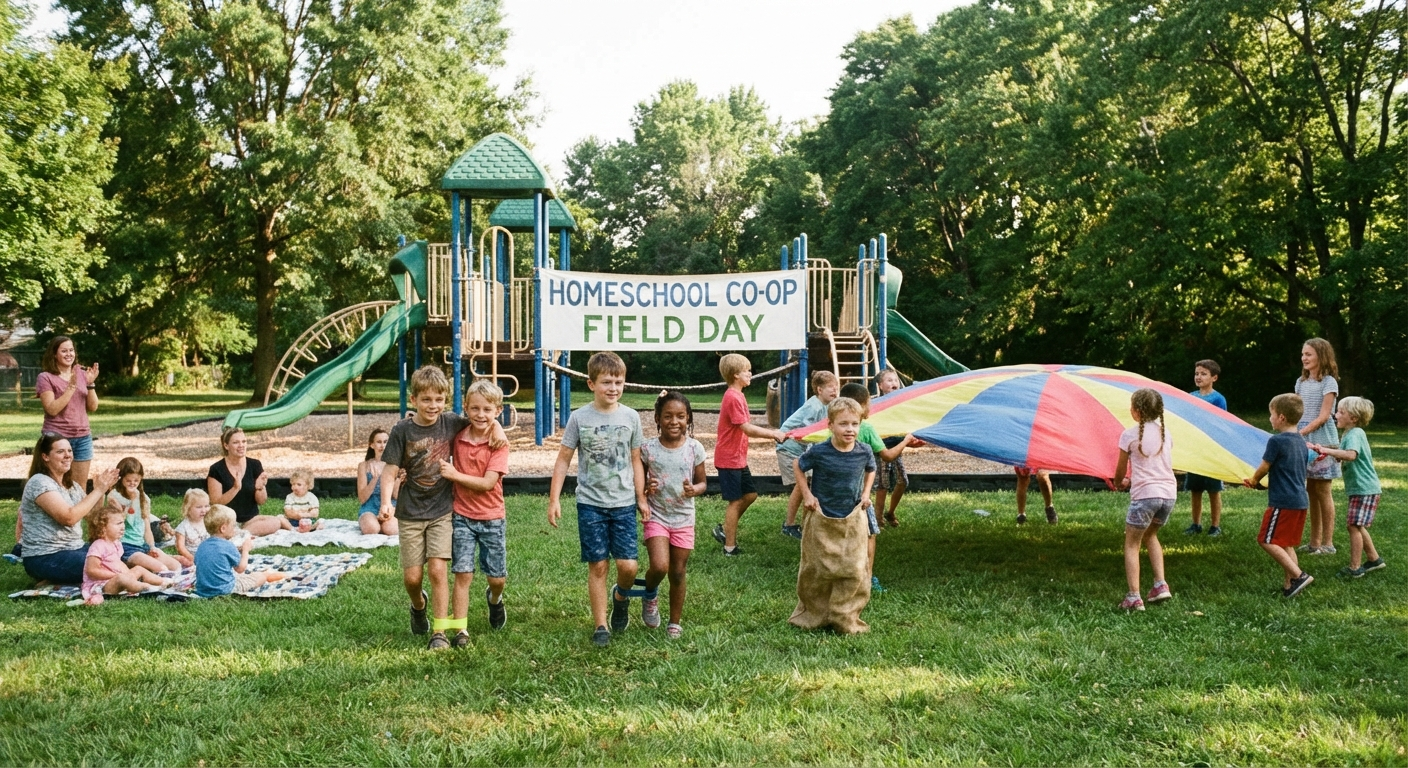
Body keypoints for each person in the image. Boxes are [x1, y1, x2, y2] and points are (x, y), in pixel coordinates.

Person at [379, 366, 507, 649]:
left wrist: (498, 426)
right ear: (413, 400)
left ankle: (440, 632)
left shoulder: (450, 422)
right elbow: (389, 471)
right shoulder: (402, 430)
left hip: (443, 509)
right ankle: (418, 604)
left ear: (446, 401)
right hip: (410, 512)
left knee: (438, 570)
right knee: (413, 578)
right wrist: (387, 501)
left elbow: (482, 418)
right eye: (426, 400)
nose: (433, 406)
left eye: (439, 400)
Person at [547, 351, 648, 647]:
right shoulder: (579, 417)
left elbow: (636, 459)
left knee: (628, 566)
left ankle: (621, 597)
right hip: (590, 503)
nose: (613, 388)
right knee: (598, 565)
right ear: (591, 384)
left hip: (624, 503)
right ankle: (600, 624)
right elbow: (564, 460)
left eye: (618, 381)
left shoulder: (631, 417)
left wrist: (641, 497)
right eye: (606, 382)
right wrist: (554, 498)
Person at [790, 397, 876, 634]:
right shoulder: (819, 451)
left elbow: (871, 469)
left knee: (854, 568)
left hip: (851, 516)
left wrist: (866, 493)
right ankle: (814, 614)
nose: (850, 429)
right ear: (830, 425)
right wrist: (807, 494)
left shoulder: (864, 451)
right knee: (817, 568)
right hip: (821, 516)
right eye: (843, 424)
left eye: (855, 424)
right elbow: (798, 464)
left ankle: (844, 616)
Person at [440, 380, 511, 648]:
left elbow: (487, 484)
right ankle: (461, 630)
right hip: (462, 515)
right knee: (463, 573)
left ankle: (495, 599)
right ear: (466, 409)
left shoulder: (498, 443)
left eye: (488, 410)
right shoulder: (458, 435)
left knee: (497, 577)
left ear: (498, 411)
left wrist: (455, 475)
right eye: (475, 409)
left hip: (492, 516)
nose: (481, 415)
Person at [837, 382, 920, 593]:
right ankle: (867, 577)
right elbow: (888, 455)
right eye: (870, 402)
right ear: (863, 406)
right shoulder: (865, 428)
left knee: (841, 535)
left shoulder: (835, 426)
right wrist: (906, 441)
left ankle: (839, 575)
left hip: (838, 490)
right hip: (860, 494)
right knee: (869, 534)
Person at [639, 390, 707, 639]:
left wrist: (694, 490)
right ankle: (650, 595)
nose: (674, 421)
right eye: (668, 416)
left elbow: (703, 483)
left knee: (677, 571)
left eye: (680, 416)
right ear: (657, 418)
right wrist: (646, 488)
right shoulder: (647, 449)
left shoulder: (694, 448)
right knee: (659, 566)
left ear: (688, 419)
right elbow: (640, 483)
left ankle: (674, 622)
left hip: (683, 518)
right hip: (656, 514)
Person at [711, 353, 788, 556]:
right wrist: (773, 434)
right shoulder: (733, 397)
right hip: (729, 459)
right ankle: (729, 547)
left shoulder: (738, 395)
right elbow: (747, 428)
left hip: (737, 458)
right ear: (736, 374)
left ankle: (726, 529)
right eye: (747, 370)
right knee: (735, 501)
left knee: (750, 495)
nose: (750, 374)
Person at [19, 435, 119, 584]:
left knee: (116, 557)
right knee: (105, 567)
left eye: (69, 451)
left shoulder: (71, 485)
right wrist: (98, 490)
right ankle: (55, 576)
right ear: (45, 456)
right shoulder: (39, 482)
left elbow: (93, 517)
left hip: (75, 548)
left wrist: (101, 493)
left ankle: (56, 579)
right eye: (60, 452)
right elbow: (68, 518)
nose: (67, 456)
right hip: (45, 556)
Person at [1243, 394, 1314, 598]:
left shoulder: (1277, 441)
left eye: (1271, 414)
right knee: (1286, 543)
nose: (1270, 418)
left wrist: (1254, 480)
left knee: (1266, 540)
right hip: (1300, 500)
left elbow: (1265, 466)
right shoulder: (1301, 441)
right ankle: (1290, 585)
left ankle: (1299, 576)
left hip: (1283, 502)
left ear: (1281, 417)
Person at [1113, 389, 1177, 611]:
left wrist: (1119, 482)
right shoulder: (1166, 434)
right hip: (1168, 495)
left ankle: (1133, 597)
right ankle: (1160, 585)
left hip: (1145, 496)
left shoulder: (1129, 435)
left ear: (1136, 411)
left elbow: (1120, 471)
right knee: (1151, 535)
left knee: (1132, 543)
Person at [1308, 397, 1385, 578]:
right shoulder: (1349, 434)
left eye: (1341, 412)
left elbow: (1351, 455)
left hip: (1364, 488)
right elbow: (1344, 454)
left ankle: (1354, 568)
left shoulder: (1355, 433)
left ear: (1354, 418)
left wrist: (1327, 451)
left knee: (1353, 527)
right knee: (1356, 525)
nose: (1336, 415)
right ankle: (1374, 559)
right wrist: (1323, 451)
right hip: (1360, 488)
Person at [776, 370, 840, 539]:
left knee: (809, 486)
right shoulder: (814, 407)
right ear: (819, 390)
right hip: (789, 448)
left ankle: (807, 526)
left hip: (802, 450)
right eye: (830, 388)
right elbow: (808, 432)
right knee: (801, 486)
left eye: (836, 388)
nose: (835, 391)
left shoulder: (825, 406)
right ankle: (789, 525)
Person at [35, 336, 99, 492]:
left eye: (71, 350)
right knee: (55, 485)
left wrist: (90, 384)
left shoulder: (81, 374)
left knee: (79, 487)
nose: (69, 354)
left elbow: (92, 407)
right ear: (54, 354)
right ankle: (58, 515)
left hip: (82, 437)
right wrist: (71, 387)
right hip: (57, 437)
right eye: (64, 351)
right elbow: (51, 409)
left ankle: (76, 517)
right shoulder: (45, 377)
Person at [1296, 338, 1340, 554]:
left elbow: (1324, 416)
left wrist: (1301, 432)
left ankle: (1328, 543)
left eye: (1309, 354)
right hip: (1305, 441)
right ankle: (1314, 543)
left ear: (1321, 356)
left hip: (1322, 440)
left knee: (1323, 490)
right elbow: (1297, 410)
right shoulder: (1301, 383)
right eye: (1303, 354)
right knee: (1310, 490)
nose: (1304, 358)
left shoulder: (1329, 382)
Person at [82, 501, 171, 605]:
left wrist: (128, 573)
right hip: (101, 585)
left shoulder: (117, 544)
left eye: (123, 522)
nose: (123, 526)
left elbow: (118, 563)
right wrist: (115, 575)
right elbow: (91, 570)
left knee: (138, 569)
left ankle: (163, 582)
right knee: (122, 579)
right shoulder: (98, 545)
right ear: (103, 527)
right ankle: (150, 589)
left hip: (119, 577)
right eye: (119, 523)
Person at [107, 457, 181, 574]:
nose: (132, 484)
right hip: (124, 546)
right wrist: (130, 501)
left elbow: (146, 528)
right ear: (121, 479)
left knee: (176, 567)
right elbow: (119, 521)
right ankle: (130, 565)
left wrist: (152, 547)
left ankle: (143, 567)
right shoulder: (114, 496)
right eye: (128, 481)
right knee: (161, 569)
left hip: (142, 544)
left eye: (136, 481)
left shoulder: (144, 498)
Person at [206, 428, 284, 537]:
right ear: (226, 445)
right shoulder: (216, 469)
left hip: (250, 520)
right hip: (225, 521)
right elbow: (215, 503)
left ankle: (240, 534)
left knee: (276, 522)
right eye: (236, 442)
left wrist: (259, 488)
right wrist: (235, 488)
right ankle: (237, 533)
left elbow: (261, 501)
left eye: (244, 441)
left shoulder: (255, 465)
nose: (241, 445)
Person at [194, 505, 284, 598]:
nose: (235, 529)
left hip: (203, 589)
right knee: (260, 577)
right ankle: (275, 575)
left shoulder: (202, 546)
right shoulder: (228, 545)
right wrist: (246, 550)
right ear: (223, 528)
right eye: (233, 525)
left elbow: (206, 559)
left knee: (239, 576)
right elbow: (240, 569)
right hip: (225, 589)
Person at [1183, 359, 1228, 536]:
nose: (1199, 377)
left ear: (1214, 378)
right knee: (1195, 488)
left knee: (1213, 489)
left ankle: (1215, 526)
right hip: (1195, 448)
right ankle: (1196, 524)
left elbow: (1222, 422)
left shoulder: (1218, 399)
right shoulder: (1190, 396)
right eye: (1196, 373)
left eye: (1203, 374)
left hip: (1211, 449)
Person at [874, 368, 910, 528]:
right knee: (883, 484)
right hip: (882, 448)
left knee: (903, 481)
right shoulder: (876, 404)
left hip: (896, 447)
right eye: (889, 380)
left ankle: (890, 512)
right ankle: (878, 518)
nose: (894, 383)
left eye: (895, 380)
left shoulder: (902, 403)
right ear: (881, 385)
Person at [357, 428, 399, 535]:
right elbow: (362, 498)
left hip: (390, 505)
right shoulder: (364, 466)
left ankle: (384, 524)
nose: (383, 446)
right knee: (371, 529)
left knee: (391, 530)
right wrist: (375, 479)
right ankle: (374, 523)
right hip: (370, 506)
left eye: (385, 442)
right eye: (379, 442)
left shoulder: (395, 465)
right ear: (372, 445)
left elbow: (396, 495)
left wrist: (399, 479)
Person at [173, 488, 210, 568]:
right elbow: (180, 547)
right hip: (192, 556)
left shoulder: (208, 521)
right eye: (199, 507)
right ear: (188, 508)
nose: (204, 510)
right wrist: (192, 558)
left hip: (209, 553)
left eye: (206, 506)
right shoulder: (183, 527)